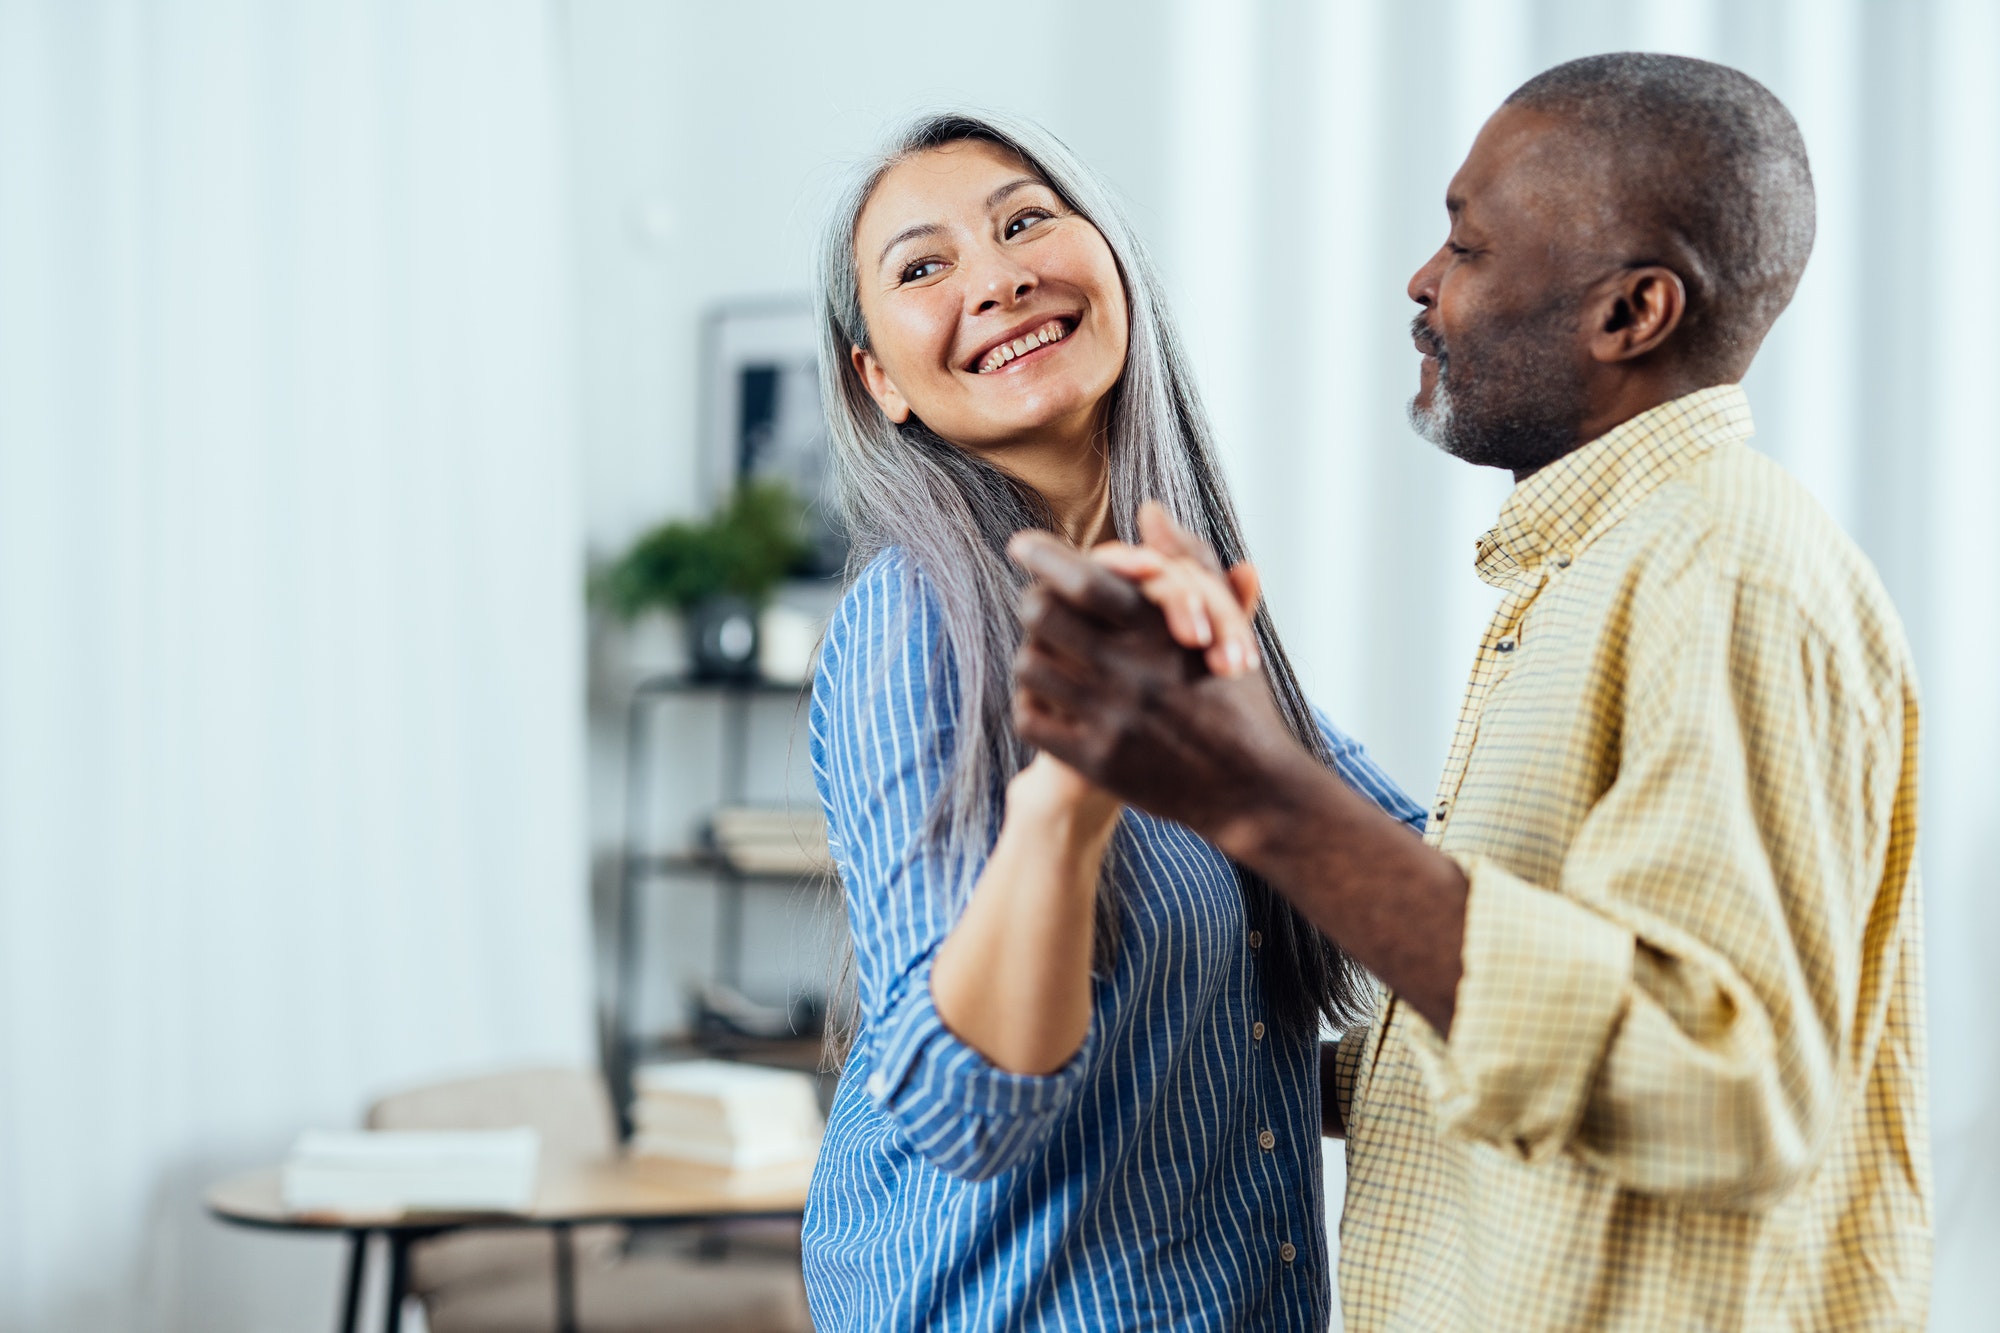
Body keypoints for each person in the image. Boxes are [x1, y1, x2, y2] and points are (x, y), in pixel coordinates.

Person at [1010, 54, 1930, 1331]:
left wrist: (1259, 793)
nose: (1422, 280)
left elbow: (1724, 1085)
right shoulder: (1595, 567)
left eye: (1467, 244)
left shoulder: (1720, 570)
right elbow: (1528, 1016)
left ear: (1631, 314)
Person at [801, 111, 1424, 1330]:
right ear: (878, 381)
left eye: (1025, 220)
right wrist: (1071, 797)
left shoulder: (1180, 607)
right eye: (920, 269)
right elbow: (962, 1107)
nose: (997, 276)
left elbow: (1419, 892)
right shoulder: (916, 620)